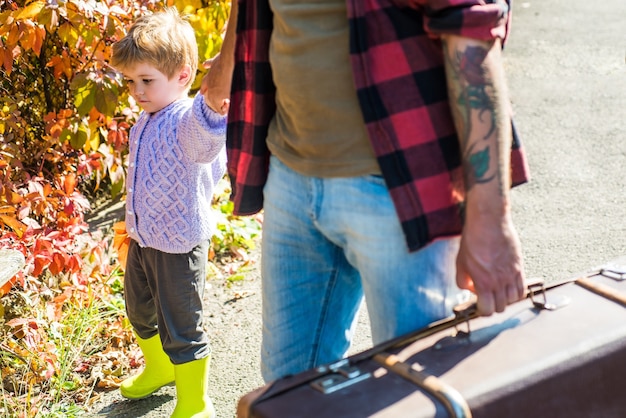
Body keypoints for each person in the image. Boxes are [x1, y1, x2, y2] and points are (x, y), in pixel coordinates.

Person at [203, 0, 530, 383]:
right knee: (288, 390)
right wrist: (227, 66)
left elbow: (471, 29)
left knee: (418, 389)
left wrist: (491, 220)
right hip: (290, 177)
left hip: (399, 192)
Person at [110, 7, 227, 417]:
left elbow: (206, 137)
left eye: (146, 80)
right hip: (143, 239)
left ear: (182, 75)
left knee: (182, 324)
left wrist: (214, 102)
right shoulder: (147, 118)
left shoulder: (186, 120)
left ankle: (195, 402)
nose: (136, 91)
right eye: (130, 81)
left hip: (179, 243)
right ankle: (159, 368)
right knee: (139, 309)